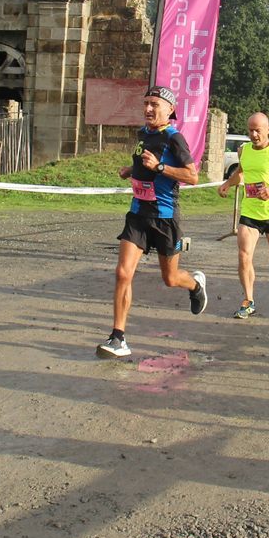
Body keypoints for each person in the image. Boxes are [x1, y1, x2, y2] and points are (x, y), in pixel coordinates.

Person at [97, 85, 208, 360]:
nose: (148, 109)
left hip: (165, 218)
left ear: (170, 110)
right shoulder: (143, 134)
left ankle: (195, 285)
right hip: (137, 214)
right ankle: (118, 337)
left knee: (170, 278)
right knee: (123, 273)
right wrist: (130, 170)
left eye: (154, 104)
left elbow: (192, 176)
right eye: (146, 103)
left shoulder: (174, 138)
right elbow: (143, 163)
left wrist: (159, 167)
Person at [217, 112, 269, 319]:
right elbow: (241, 172)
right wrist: (228, 183)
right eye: (251, 131)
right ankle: (248, 301)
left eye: (258, 130)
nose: (254, 135)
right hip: (250, 212)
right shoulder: (243, 150)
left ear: (268, 130)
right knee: (244, 255)